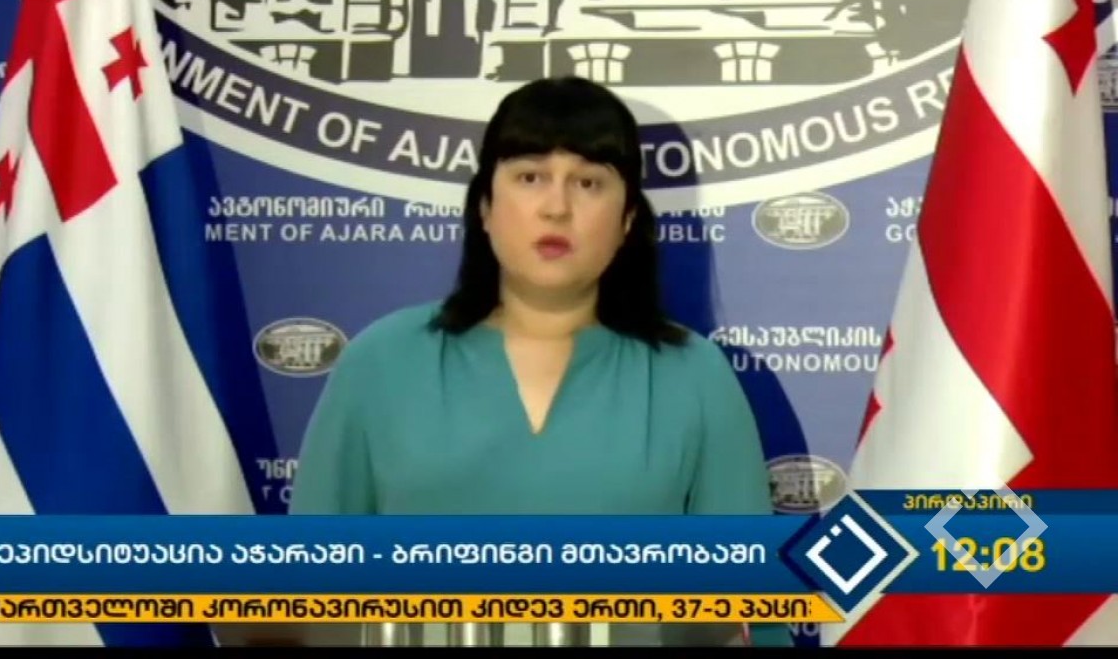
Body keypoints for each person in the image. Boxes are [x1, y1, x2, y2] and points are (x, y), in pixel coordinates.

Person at [287, 76, 793, 648]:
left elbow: (752, 616)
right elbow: (308, 596)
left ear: (627, 219)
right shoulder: (382, 362)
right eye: (530, 177)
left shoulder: (692, 374)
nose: (557, 207)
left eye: (589, 182)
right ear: (485, 206)